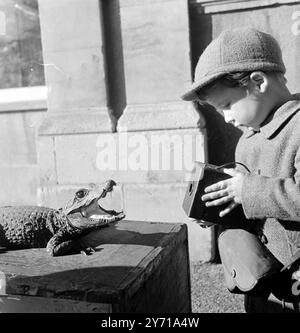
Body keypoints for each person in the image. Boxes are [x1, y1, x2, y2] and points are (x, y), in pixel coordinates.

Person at [181, 27, 300, 313]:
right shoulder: (246, 141)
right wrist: (222, 205)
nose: (226, 118)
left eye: (226, 105)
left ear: (258, 82)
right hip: (261, 287)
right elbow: (251, 207)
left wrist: (246, 189)